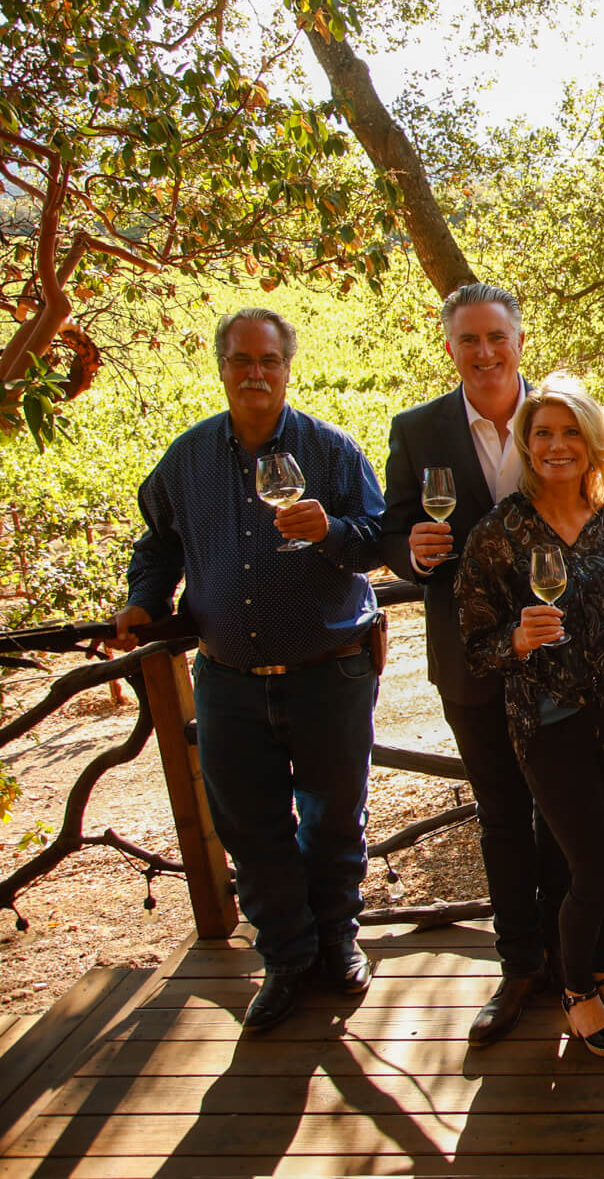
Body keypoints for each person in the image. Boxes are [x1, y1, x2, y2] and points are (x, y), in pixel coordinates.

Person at [109, 307, 385, 1033]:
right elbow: (158, 546)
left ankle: (337, 940)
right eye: (242, 360)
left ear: (288, 367)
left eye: (269, 359)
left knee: (333, 819)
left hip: (329, 671)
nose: (255, 372)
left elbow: (378, 541)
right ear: (222, 368)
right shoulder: (187, 458)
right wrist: (144, 602)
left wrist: (328, 531)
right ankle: (286, 956)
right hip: (227, 677)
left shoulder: (331, 450)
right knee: (248, 826)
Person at [380, 282, 566, 1045]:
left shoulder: (556, 416)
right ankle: (519, 962)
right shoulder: (417, 428)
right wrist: (409, 552)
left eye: (497, 337)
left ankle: (570, 956)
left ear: (520, 341)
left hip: (556, 654)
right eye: (469, 340)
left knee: (561, 811)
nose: (485, 352)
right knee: (500, 816)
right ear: (449, 344)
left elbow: (602, 493)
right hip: (469, 659)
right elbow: (391, 527)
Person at [455, 374, 604, 1059]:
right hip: (550, 717)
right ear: (526, 444)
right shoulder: (499, 531)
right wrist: (516, 635)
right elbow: (474, 643)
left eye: (571, 432)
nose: (557, 444)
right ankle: (574, 989)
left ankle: (601, 971)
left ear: (593, 442)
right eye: (543, 433)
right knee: (592, 864)